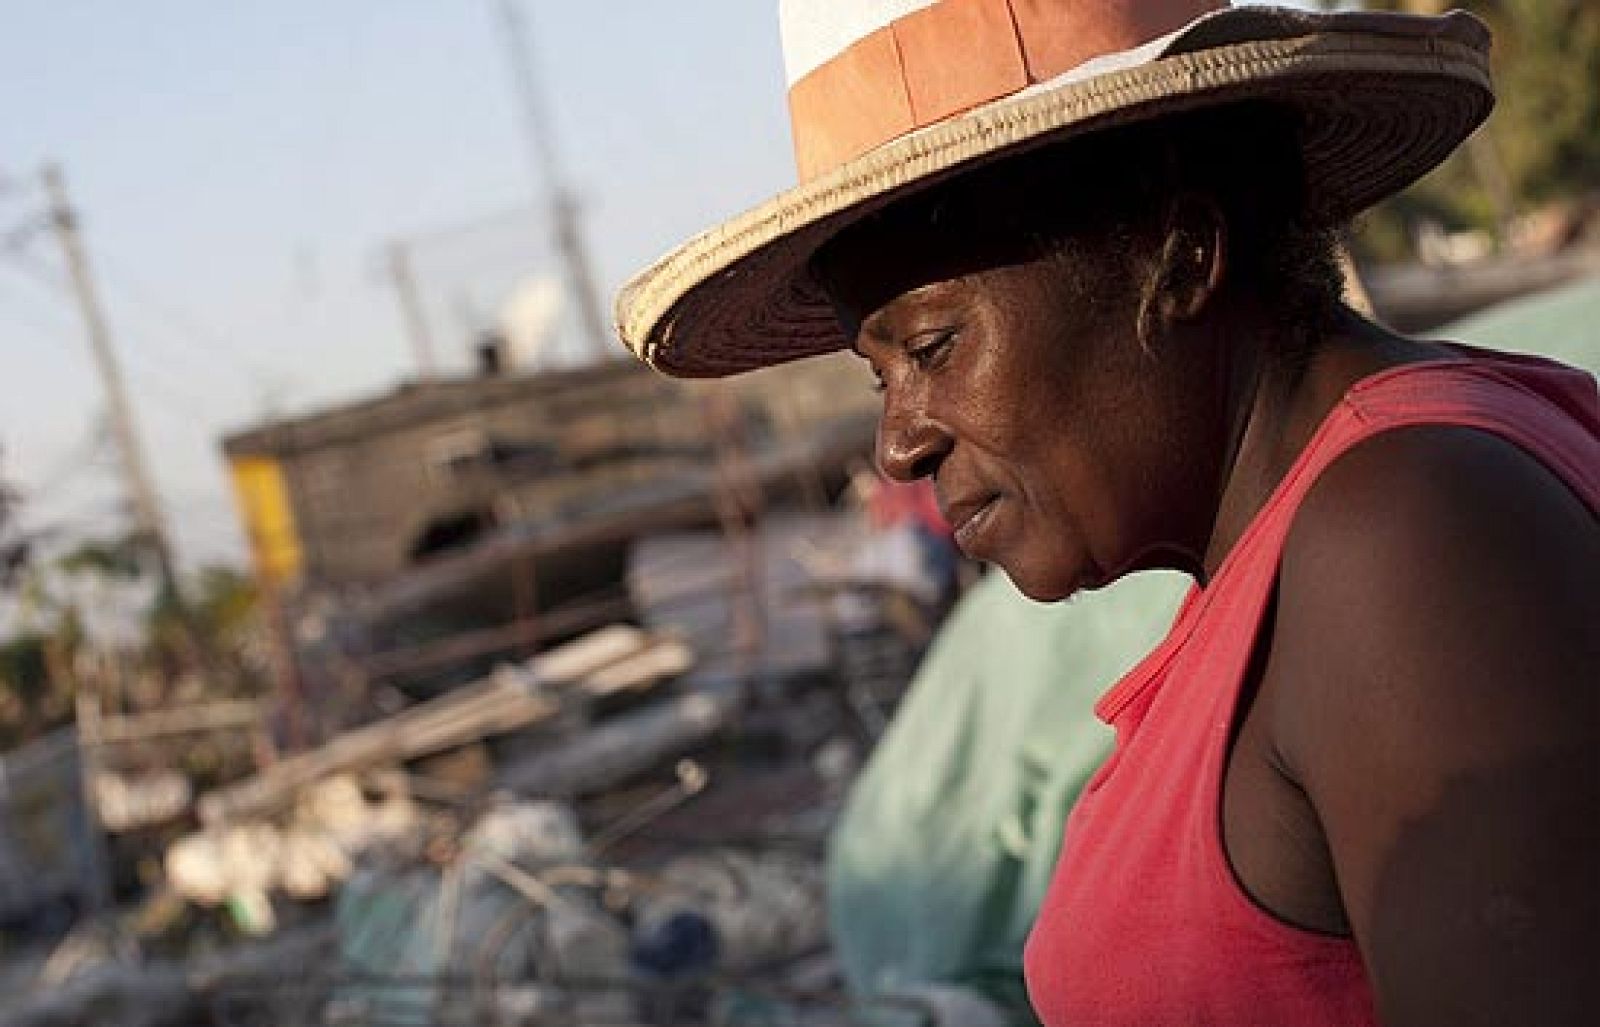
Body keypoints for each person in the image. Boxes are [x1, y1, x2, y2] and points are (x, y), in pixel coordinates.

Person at [616, 2, 1600, 1024]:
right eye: (881, 379)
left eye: (934, 347)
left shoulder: (1408, 541)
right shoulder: (1302, 547)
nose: (899, 444)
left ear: (1175, 257)